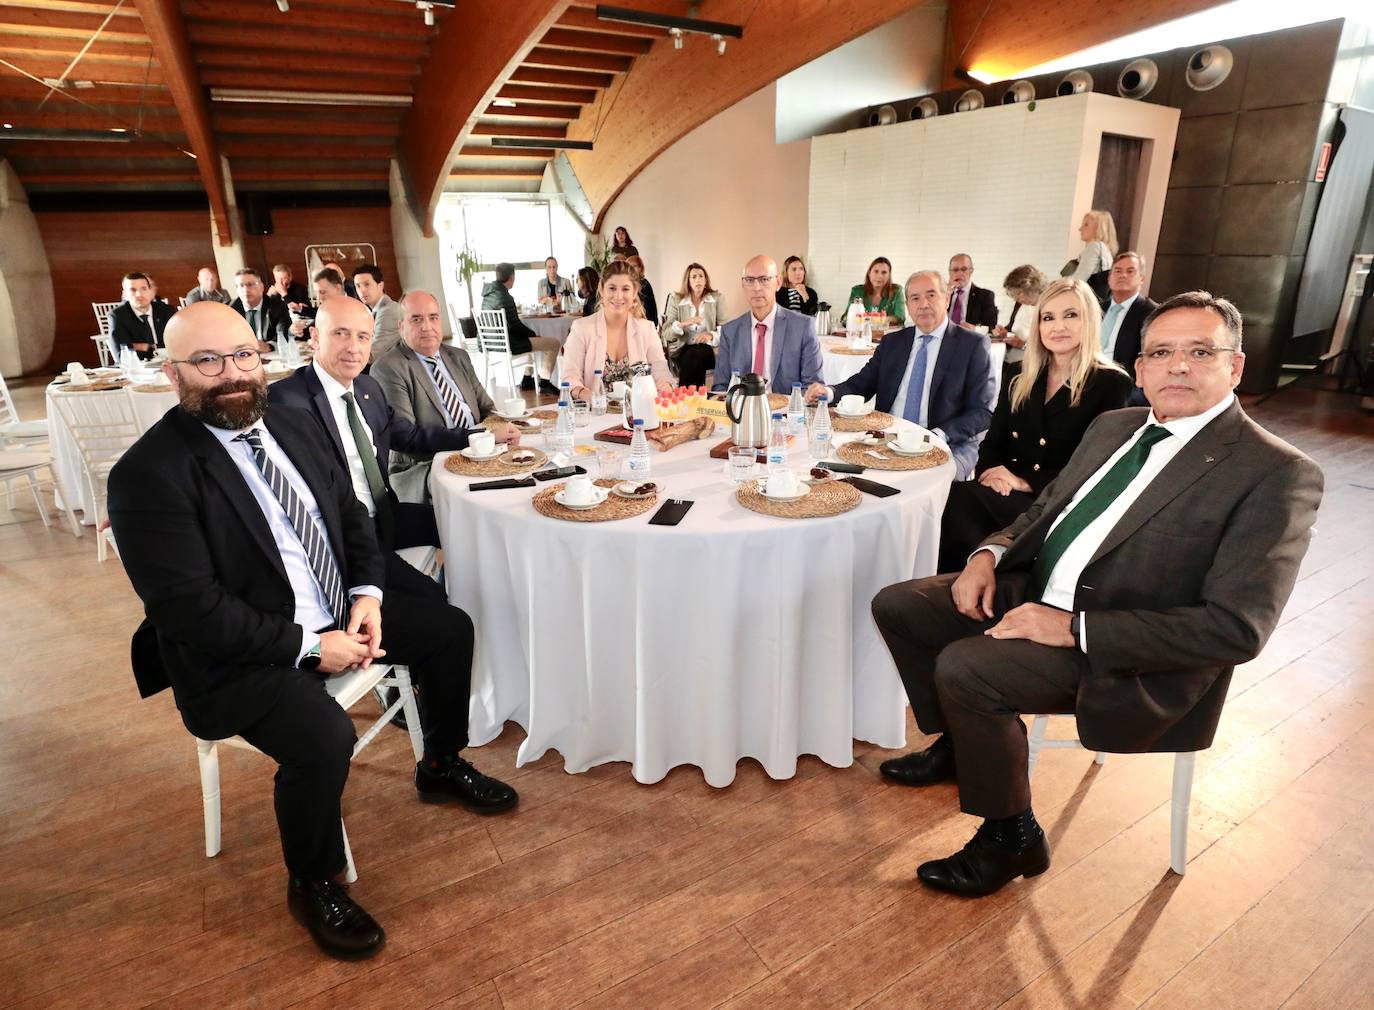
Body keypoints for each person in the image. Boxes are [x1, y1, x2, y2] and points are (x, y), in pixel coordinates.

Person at [870, 290, 1323, 899]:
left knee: (967, 668)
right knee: (902, 606)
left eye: (1200, 351)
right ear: (1140, 368)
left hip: (1126, 648)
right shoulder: (1117, 426)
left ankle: (1011, 836)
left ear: (1235, 366)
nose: (1178, 366)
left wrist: (1072, 629)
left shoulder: (1275, 472)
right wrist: (989, 553)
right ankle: (962, 743)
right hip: (1041, 591)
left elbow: (1237, 630)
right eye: (1161, 352)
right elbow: (1046, 510)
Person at [108, 302, 519, 961]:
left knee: (448, 629)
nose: (233, 374)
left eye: (244, 355)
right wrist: (307, 646)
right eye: (208, 362)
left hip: (335, 609)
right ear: (172, 373)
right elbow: (194, 613)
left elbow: (352, 516)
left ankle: (440, 762)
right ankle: (313, 881)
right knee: (325, 736)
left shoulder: (288, 423)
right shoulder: (147, 476)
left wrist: (367, 594)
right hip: (237, 655)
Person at [937, 278, 1132, 573]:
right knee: (955, 498)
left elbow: (1098, 466)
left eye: (1071, 315)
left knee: (962, 505)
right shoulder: (1019, 374)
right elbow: (992, 442)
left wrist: (1025, 482)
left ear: (1089, 320)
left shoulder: (1111, 383)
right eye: (1048, 317)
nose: (1058, 327)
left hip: (1060, 504)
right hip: (1004, 491)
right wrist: (994, 475)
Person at [268, 295, 497, 546]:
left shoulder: (367, 388)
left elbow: (408, 437)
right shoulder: (285, 402)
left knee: (476, 527)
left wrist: (479, 435)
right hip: (344, 537)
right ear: (315, 337)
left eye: (363, 337)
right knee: (424, 586)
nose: (353, 347)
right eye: (341, 334)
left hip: (386, 516)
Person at [809, 270, 994, 480]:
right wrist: (829, 392)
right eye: (915, 298)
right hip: (888, 440)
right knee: (833, 473)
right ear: (907, 305)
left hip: (947, 442)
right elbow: (862, 383)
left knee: (926, 483)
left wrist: (937, 436)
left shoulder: (972, 345)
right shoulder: (893, 343)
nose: (923, 304)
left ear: (946, 298)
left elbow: (982, 412)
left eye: (931, 295)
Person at [372, 291, 517, 503]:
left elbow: (487, 408)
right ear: (401, 326)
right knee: (482, 496)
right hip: (426, 465)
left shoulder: (457, 357)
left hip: (480, 451)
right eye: (416, 319)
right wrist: (475, 437)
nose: (427, 326)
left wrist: (501, 432)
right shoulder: (388, 367)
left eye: (433, 317)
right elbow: (406, 437)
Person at [712, 255, 824, 394]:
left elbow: (812, 388)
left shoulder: (803, 327)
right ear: (743, 285)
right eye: (749, 280)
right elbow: (720, 388)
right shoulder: (730, 331)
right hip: (741, 411)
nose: (756, 287)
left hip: (786, 412)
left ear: (778, 283)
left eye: (764, 280)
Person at [564, 261, 673, 400]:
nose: (618, 296)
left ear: (634, 293)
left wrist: (665, 385)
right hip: (594, 414)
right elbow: (570, 377)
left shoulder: (647, 329)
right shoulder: (581, 328)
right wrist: (584, 393)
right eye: (612, 288)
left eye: (626, 289)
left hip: (637, 415)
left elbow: (661, 372)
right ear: (601, 289)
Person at [480, 262, 560, 395]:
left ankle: (527, 379)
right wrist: (533, 334)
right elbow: (516, 326)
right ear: (511, 277)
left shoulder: (488, 295)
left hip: (491, 344)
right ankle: (545, 382)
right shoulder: (505, 297)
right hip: (508, 345)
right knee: (554, 343)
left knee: (527, 339)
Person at [1101, 251, 1159, 400]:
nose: (1123, 275)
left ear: (1142, 279)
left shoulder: (1152, 313)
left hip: (1126, 385)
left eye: (1130, 271)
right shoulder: (1097, 308)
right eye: (1118, 271)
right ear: (1109, 278)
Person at [661, 263, 722, 388]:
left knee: (694, 355)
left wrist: (710, 335)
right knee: (692, 355)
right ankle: (698, 397)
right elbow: (666, 333)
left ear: (706, 281)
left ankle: (684, 396)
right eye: (693, 277)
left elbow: (727, 328)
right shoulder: (676, 299)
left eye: (701, 276)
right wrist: (683, 324)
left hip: (709, 351)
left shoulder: (716, 298)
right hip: (684, 350)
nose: (698, 280)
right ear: (688, 281)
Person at [991, 264, 1049, 384]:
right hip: (1010, 363)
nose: (1016, 298)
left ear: (1030, 289)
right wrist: (1005, 333)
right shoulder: (1021, 304)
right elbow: (1015, 327)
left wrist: (1023, 345)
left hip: (1031, 367)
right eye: (1014, 295)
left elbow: (1049, 346)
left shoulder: (1048, 309)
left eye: (1018, 294)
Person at [109, 271, 176, 359]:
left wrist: (141, 347)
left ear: (151, 291)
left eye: (143, 289)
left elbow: (178, 342)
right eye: (133, 290)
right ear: (125, 294)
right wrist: (154, 349)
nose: (139, 294)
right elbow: (122, 353)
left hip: (169, 362)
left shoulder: (167, 310)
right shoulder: (118, 316)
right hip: (138, 368)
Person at [350, 264, 402, 360]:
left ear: (380, 285)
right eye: (358, 286)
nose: (362, 290)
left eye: (367, 284)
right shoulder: (372, 311)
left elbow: (373, 354)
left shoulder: (388, 311)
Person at [230, 268, 290, 350]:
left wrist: (269, 346)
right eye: (241, 286)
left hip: (270, 357)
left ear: (261, 287)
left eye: (250, 284)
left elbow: (283, 333)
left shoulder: (277, 306)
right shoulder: (229, 310)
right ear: (237, 289)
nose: (245, 290)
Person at [1065, 209, 1118, 291]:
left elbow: (1079, 279)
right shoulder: (1106, 251)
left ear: (1098, 228)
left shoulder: (1094, 247)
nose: (1080, 229)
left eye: (1086, 225)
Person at [846, 256, 906, 325]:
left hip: (888, 334)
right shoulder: (857, 291)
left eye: (884, 272)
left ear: (889, 275)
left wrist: (876, 319)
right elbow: (846, 318)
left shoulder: (896, 290)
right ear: (869, 273)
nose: (879, 276)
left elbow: (900, 317)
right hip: (862, 333)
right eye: (876, 271)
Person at [946, 254, 999, 331]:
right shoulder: (942, 294)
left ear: (971, 271)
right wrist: (946, 292)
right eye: (955, 270)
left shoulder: (985, 295)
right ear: (950, 272)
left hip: (970, 339)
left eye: (964, 269)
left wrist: (974, 329)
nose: (960, 273)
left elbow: (991, 326)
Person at [625, 255, 659, 328]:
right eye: (628, 266)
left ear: (640, 268)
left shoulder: (644, 284)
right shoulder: (627, 284)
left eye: (634, 266)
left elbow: (646, 308)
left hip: (644, 323)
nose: (631, 269)